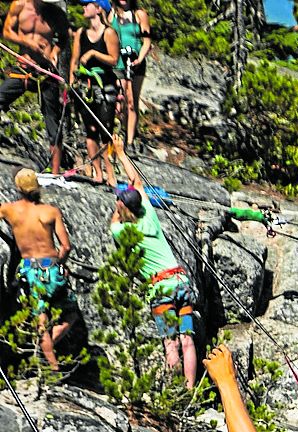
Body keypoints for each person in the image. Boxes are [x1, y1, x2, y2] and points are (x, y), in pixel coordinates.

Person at [109, 134, 197, 387]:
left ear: (122, 208)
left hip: (161, 290)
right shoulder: (150, 217)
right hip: (180, 282)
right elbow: (137, 181)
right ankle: (190, 389)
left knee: (170, 343)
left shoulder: (123, 230)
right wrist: (121, 153)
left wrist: (117, 206)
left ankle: (176, 392)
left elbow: (114, 222)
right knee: (187, 339)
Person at [0, 168, 74, 370]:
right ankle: (49, 347)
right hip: (52, 268)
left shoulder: (9, 210)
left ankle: (51, 363)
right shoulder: (51, 211)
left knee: (42, 323)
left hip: (30, 270)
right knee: (71, 313)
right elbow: (66, 246)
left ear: (18, 188)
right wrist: (60, 263)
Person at [0, 0, 70, 174]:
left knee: (52, 120)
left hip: (45, 71)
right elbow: (7, 32)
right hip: (23, 68)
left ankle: (54, 172)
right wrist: (27, 42)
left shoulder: (55, 13)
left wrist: (54, 53)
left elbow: (64, 38)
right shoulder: (19, 5)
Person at [69, 0, 119, 186]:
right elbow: (74, 60)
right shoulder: (80, 33)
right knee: (90, 131)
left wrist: (93, 54)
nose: (83, 7)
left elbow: (114, 59)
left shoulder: (109, 33)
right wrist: (71, 83)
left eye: (87, 4)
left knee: (105, 132)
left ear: (98, 9)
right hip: (86, 86)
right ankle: (98, 173)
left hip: (105, 86)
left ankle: (111, 173)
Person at [109, 0, 150, 151]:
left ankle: (130, 140)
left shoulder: (139, 15)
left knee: (132, 102)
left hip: (135, 63)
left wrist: (140, 58)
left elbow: (147, 40)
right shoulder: (112, 14)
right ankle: (119, 134)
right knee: (120, 100)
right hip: (118, 62)